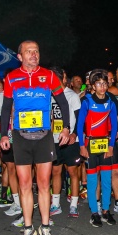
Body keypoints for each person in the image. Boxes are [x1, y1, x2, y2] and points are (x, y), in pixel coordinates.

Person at [0, 40, 71, 235]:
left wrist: (66, 128)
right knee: (23, 184)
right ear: (20, 56)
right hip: (20, 136)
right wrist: (3, 135)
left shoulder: (49, 76)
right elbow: (6, 109)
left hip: (44, 135)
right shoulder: (12, 77)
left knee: (43, 183)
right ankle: (28, 228)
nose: (33, 55)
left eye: (36, 51)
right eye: (29, 52)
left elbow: (63, 102)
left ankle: (46, 227)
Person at [78, 71, 118, 227]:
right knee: (93, 181)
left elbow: (114, 125)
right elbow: (80, 125)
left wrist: (111, 146)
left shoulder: (111, 102)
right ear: (93, 86)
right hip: (90, 145)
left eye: (105, 83)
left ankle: (106, 210)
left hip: (105, 145)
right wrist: (82, 146)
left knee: (107, 180)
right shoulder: (86, 101)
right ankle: (94, 212)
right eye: (99, 84)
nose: (103, 86)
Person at [48, 67, 82, 218]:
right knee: (56, 171)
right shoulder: (48, 96)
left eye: (55, 78)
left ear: (62, 78)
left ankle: (73, 205)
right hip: (54, 139)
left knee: (72, 172)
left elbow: (80, 118)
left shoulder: (71, 95)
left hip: (70, 140)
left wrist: (74, 134)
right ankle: (56, 204)